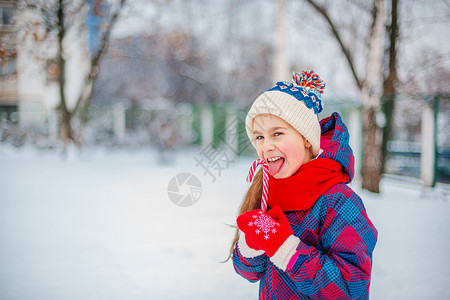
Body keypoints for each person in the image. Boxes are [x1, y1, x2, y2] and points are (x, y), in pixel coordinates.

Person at [229, 71, 378, 299]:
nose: (266, 146)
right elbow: (248, 272)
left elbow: (351, 290)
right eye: (259, 137)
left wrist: (287, 250)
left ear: (307, 138)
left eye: (277, 133)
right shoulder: (269, 190)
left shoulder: (338, 201)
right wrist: (251, 243)